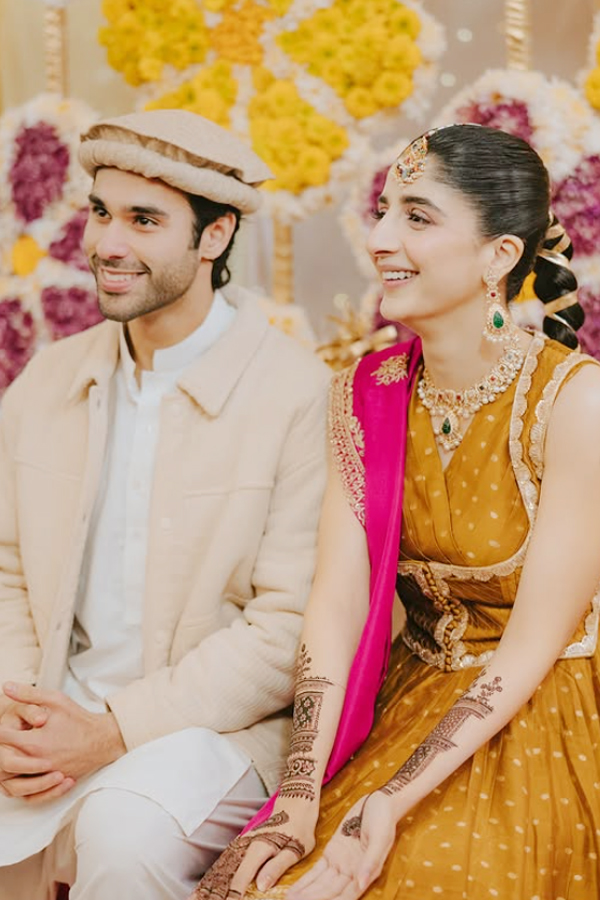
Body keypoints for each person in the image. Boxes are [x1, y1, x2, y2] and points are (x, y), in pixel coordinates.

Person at [192, 123, 600, 900]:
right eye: (382, 211)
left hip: (542, 706)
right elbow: (337, 603)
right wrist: (300, 795)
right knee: (257, 877)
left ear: (499, 256)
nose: (379, 238)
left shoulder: (572, 403)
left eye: (417, 216)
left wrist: (392, 800)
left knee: (418, 875)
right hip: (411, 692)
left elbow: (531, 645)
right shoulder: (366, 391)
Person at [0, 108, 330, 900]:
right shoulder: (49, 377)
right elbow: (6, 564)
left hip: (217, 733)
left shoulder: (297, 393)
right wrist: (17, 712)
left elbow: (290, 629)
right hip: (51, 703)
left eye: (145, 221)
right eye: (102, 213)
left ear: (213, 239)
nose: (108, 245)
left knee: (124, 832)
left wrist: (114, 729)